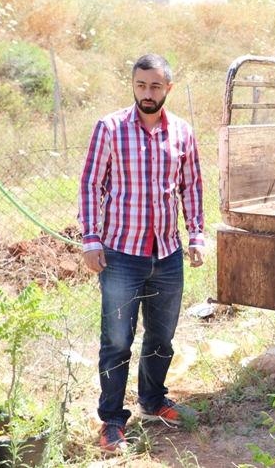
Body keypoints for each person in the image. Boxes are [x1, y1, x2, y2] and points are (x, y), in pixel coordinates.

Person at [78, 53, 205, 455]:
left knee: (162, 336)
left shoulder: (182, 132)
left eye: (154, 86)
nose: (147, 94)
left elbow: (192, 187)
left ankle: (153, 402)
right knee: (117, 340)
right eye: (140, 85)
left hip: (167, 254)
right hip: (121, 254)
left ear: (168, 87)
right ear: (132, 85)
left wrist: (197, 235)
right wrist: (91, 238)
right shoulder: (111, 128)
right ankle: (113, 421)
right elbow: (90, 184)